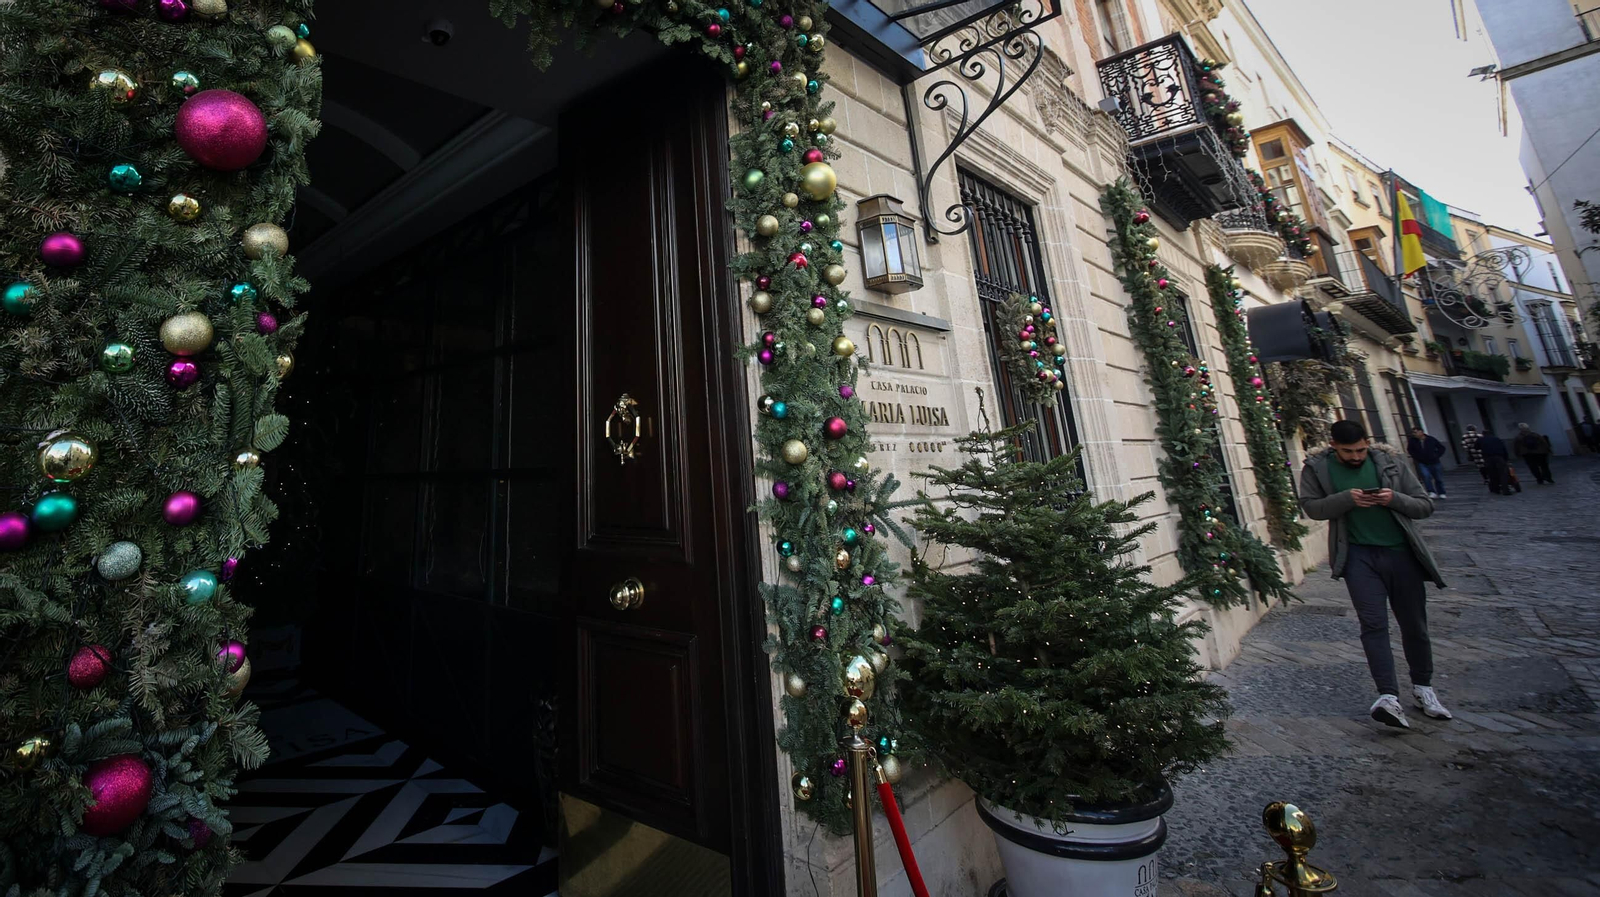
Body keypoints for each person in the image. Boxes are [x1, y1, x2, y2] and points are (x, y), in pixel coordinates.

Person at [1298, 420, 1451, 729]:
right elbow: (1311, 508)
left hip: (1401, 553)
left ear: (1368, 444)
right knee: (1373, 624)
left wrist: (1392, 498)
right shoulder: (1317, 468)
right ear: (1333, 446)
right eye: (1348, 452)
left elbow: (1424, 505)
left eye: (1361, 450)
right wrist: (1346, 499)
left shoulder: (1390, 462)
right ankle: (1388, 696)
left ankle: (1423, 687)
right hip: (1357, 555)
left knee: (1414, 625)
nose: (1356, 457)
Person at [1405, 426, 1448, 499]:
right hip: (1423, 462)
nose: (1414, 434)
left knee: (1438, 478)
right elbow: (1410, 450)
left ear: (1421, 432)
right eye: (1413, 433)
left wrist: (1436, 455)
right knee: (1426, 476)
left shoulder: (1431, 439)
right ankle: (1431, 491)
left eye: (1415, 432)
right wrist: (1417, 457)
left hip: (1434, 462)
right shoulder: (1412, 441)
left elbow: (1441, 448)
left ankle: (1441, 492)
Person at [1478, 430, 1511, 494]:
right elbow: (1504, 448)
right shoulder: (1497, 439)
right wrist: (1506, 458)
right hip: (1499, 457)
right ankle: (1506, 490)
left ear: (1483, 434)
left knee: (1492, 474)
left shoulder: (1481, 439)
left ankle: (1496, 489)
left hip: (1488, 458)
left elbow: (1476, 447)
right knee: (1503, 473)